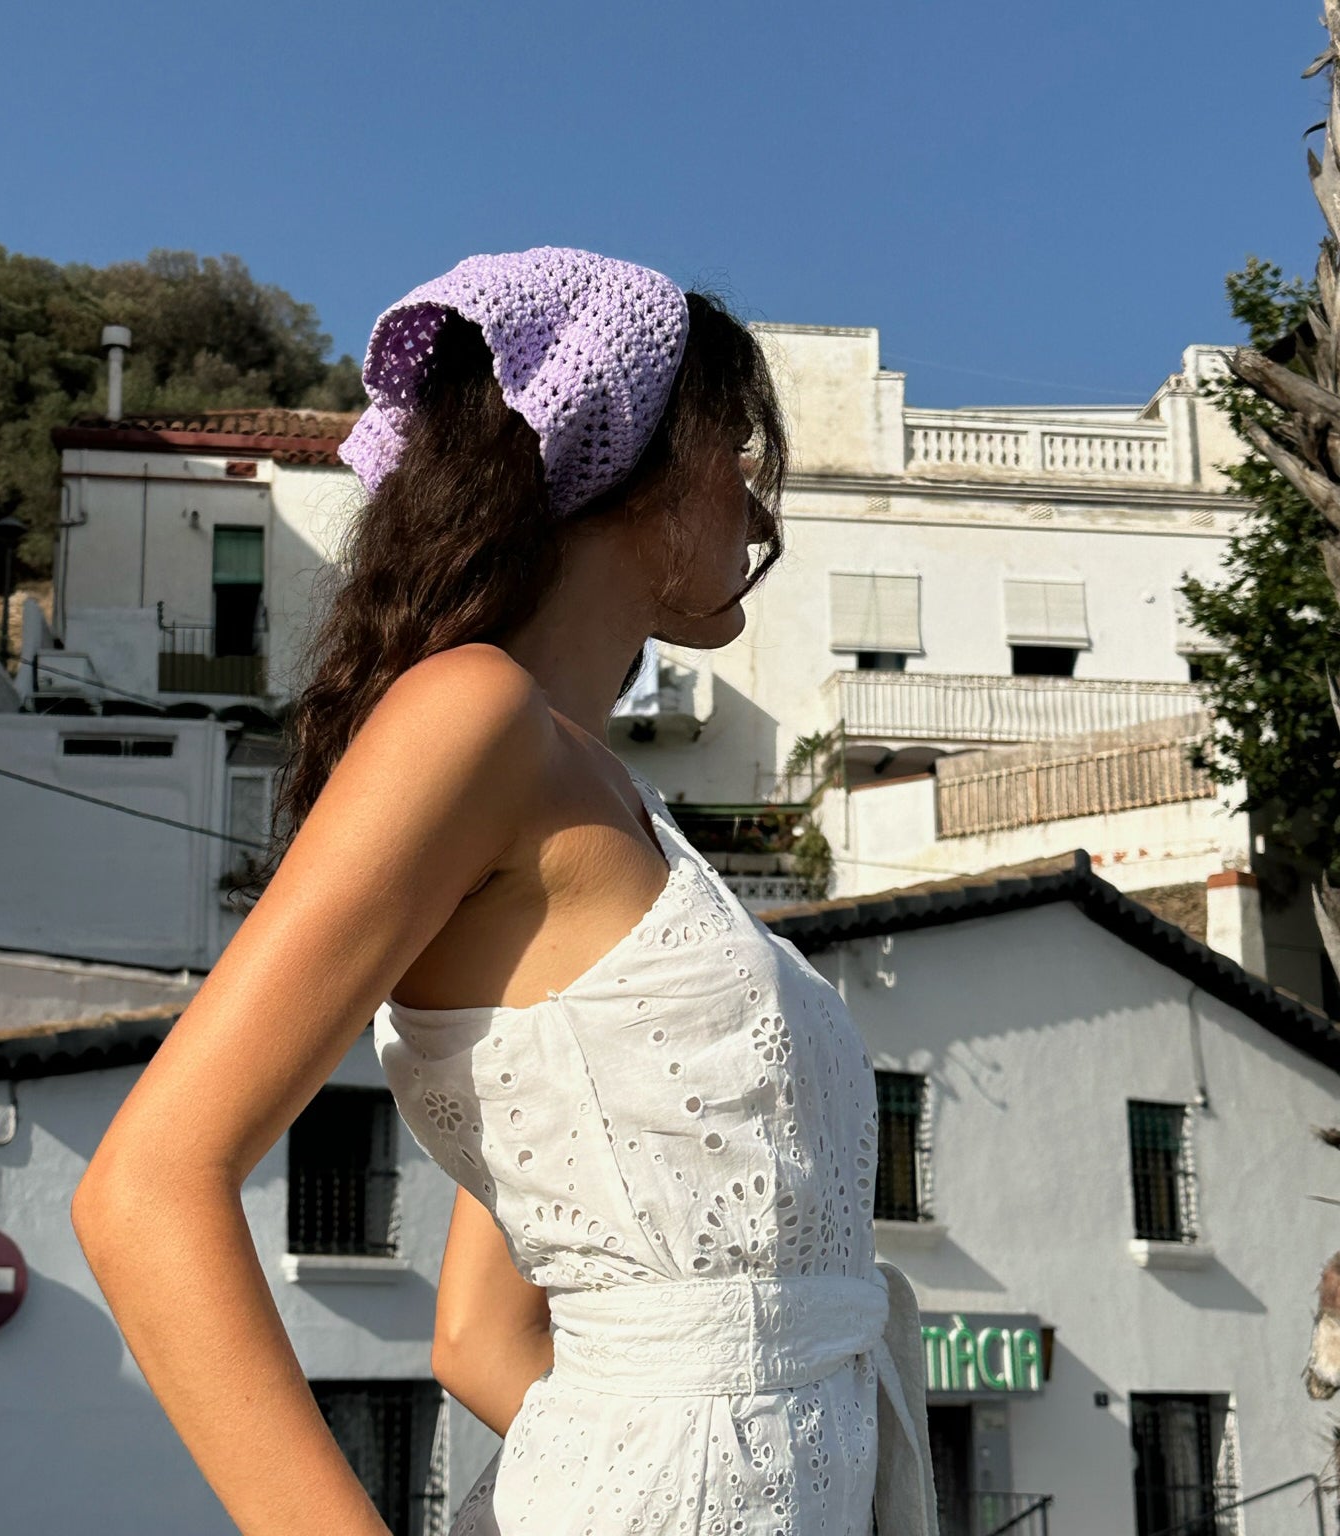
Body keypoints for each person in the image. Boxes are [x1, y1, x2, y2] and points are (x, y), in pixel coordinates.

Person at [71, 246, 939, 1536]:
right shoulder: (471, 716)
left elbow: (481, 1337)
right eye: (737, 453)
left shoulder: (616, 803)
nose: (761, 512)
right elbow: (144, 1190)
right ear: (635, 459)